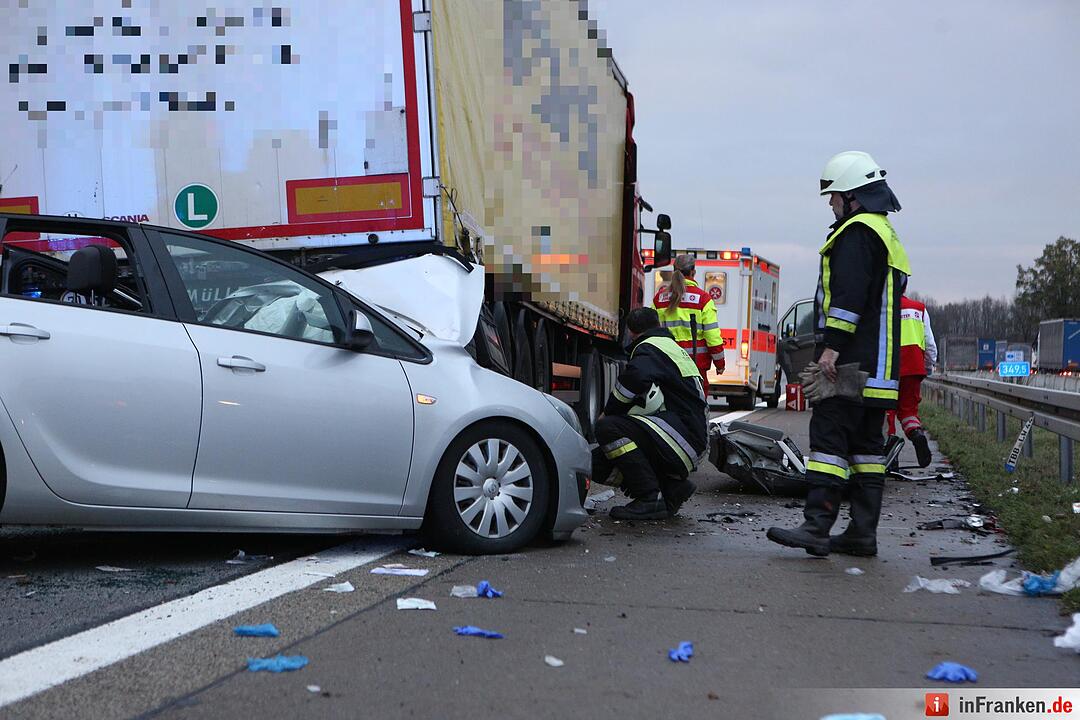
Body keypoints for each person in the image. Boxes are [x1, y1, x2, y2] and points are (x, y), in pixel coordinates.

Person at [767, 150, 911, 557]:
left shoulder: (856, 234)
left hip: (850, 366)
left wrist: (830, 350)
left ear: (853, 196)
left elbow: (848, 299)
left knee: (829, 440)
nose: (830, 204)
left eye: (834, 196)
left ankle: (816, 527)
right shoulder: (885, 233)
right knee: (867, 450)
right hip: (880, 369)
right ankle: (862, 534)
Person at [592, 307, 708, 520]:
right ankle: (671, 489)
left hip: (682, 437)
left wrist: (608, 412)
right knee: (597, 462)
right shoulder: (669, 346)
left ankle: (649, 497)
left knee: (608, 429)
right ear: (658, 324)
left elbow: (633, 381)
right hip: (688, 437)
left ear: (631, 332)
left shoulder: (649, 347)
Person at [653, 254, 726, 393]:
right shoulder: (703, 299)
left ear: (674, 270)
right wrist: (720, 363)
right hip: (695, 367)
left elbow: (651, 331)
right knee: (695, 404)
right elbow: (712, 337)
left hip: (666, 364)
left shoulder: (659, 299)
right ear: (693, 272)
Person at [885, 295, 938, 467]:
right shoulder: (918, 308)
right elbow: (930, 344)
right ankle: (916, 434)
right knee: (909, 412)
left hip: (887, 368)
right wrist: (928, 367)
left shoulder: (880, 306)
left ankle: (890, 458)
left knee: (886, 413)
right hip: (913, 367)